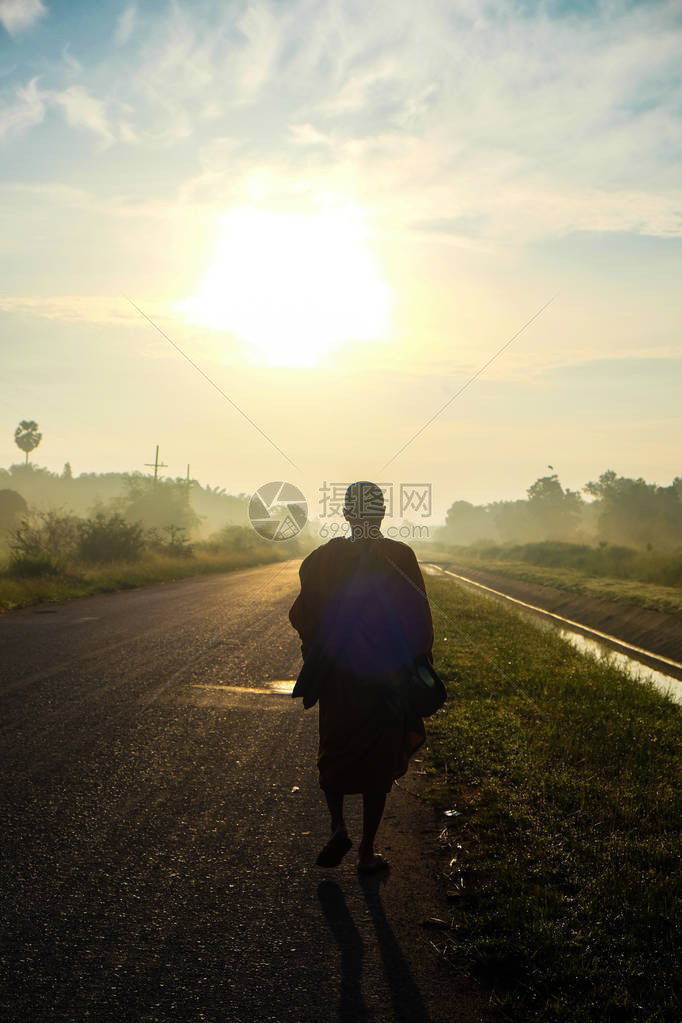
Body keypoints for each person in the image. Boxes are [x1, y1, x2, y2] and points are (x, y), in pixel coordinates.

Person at [289, 480, 434, 873]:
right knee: (379, 762)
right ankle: (367, 851)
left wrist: (321, 649)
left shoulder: (323, 559)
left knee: (334, 751)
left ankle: (337, 826)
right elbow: (418, 618)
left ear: (347, 514)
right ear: (382, 513)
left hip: (339, 677)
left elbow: (302, 615)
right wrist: (417, 661)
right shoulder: (400, 556)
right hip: (386, 679)